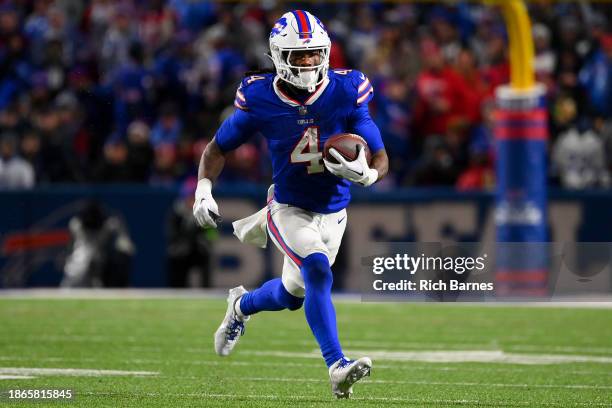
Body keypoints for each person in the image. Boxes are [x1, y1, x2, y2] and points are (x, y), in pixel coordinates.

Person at [192, 10, 388, 399]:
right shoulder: (261, 97)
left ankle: (241, 306)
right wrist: (202, 189)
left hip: (335, 213)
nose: (309, 62)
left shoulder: (347, 90)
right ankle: (336, 366)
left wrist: (369, 175)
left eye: (315, 54)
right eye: (299, 56)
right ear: (278, 56)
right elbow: (217, 148)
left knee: (291, 295)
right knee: (317, 272)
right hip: (288, 208)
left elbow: (380, 155)